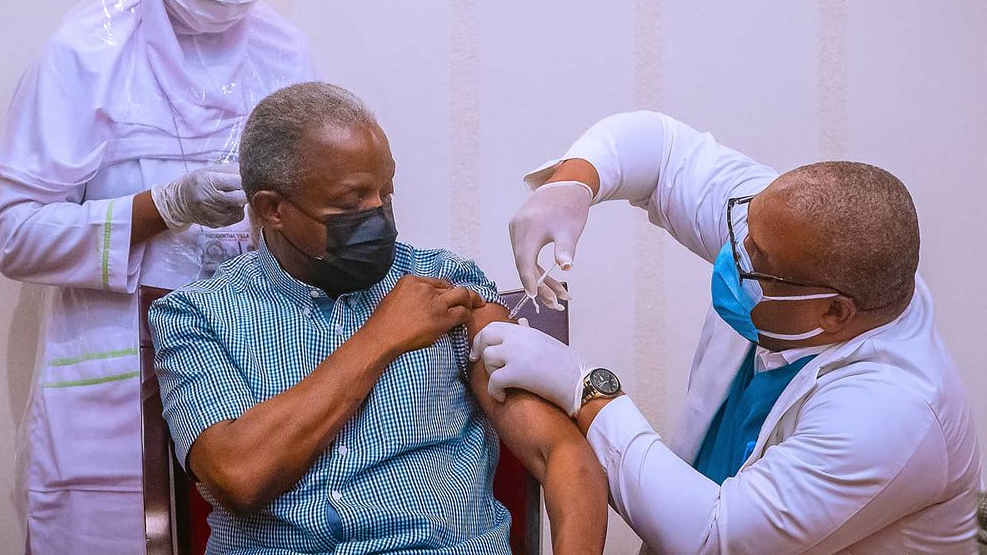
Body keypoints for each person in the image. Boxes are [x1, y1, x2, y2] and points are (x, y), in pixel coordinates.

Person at [0, 0, 315, 554]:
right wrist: (162, 209)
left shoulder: (285, 54)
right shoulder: (87, 56)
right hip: (115, 375)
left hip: (251, 370)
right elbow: (12, 234)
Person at [472, 111, 981, 553]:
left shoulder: (894, 414)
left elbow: (714, 537)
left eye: (756, 263)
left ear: (833, 313)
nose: (734, 256)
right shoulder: (781, 227)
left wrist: (585, 388)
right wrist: (575, 182)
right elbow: (663, 151)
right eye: (744, 232)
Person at [148, 82, 609, 554]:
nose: (378, 215)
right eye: (350, 203)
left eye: (385, 193)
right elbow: (238, 477)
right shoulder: (195, 314)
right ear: (273, 209)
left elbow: (563, 456)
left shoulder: (447, 286)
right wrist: (381, 336)